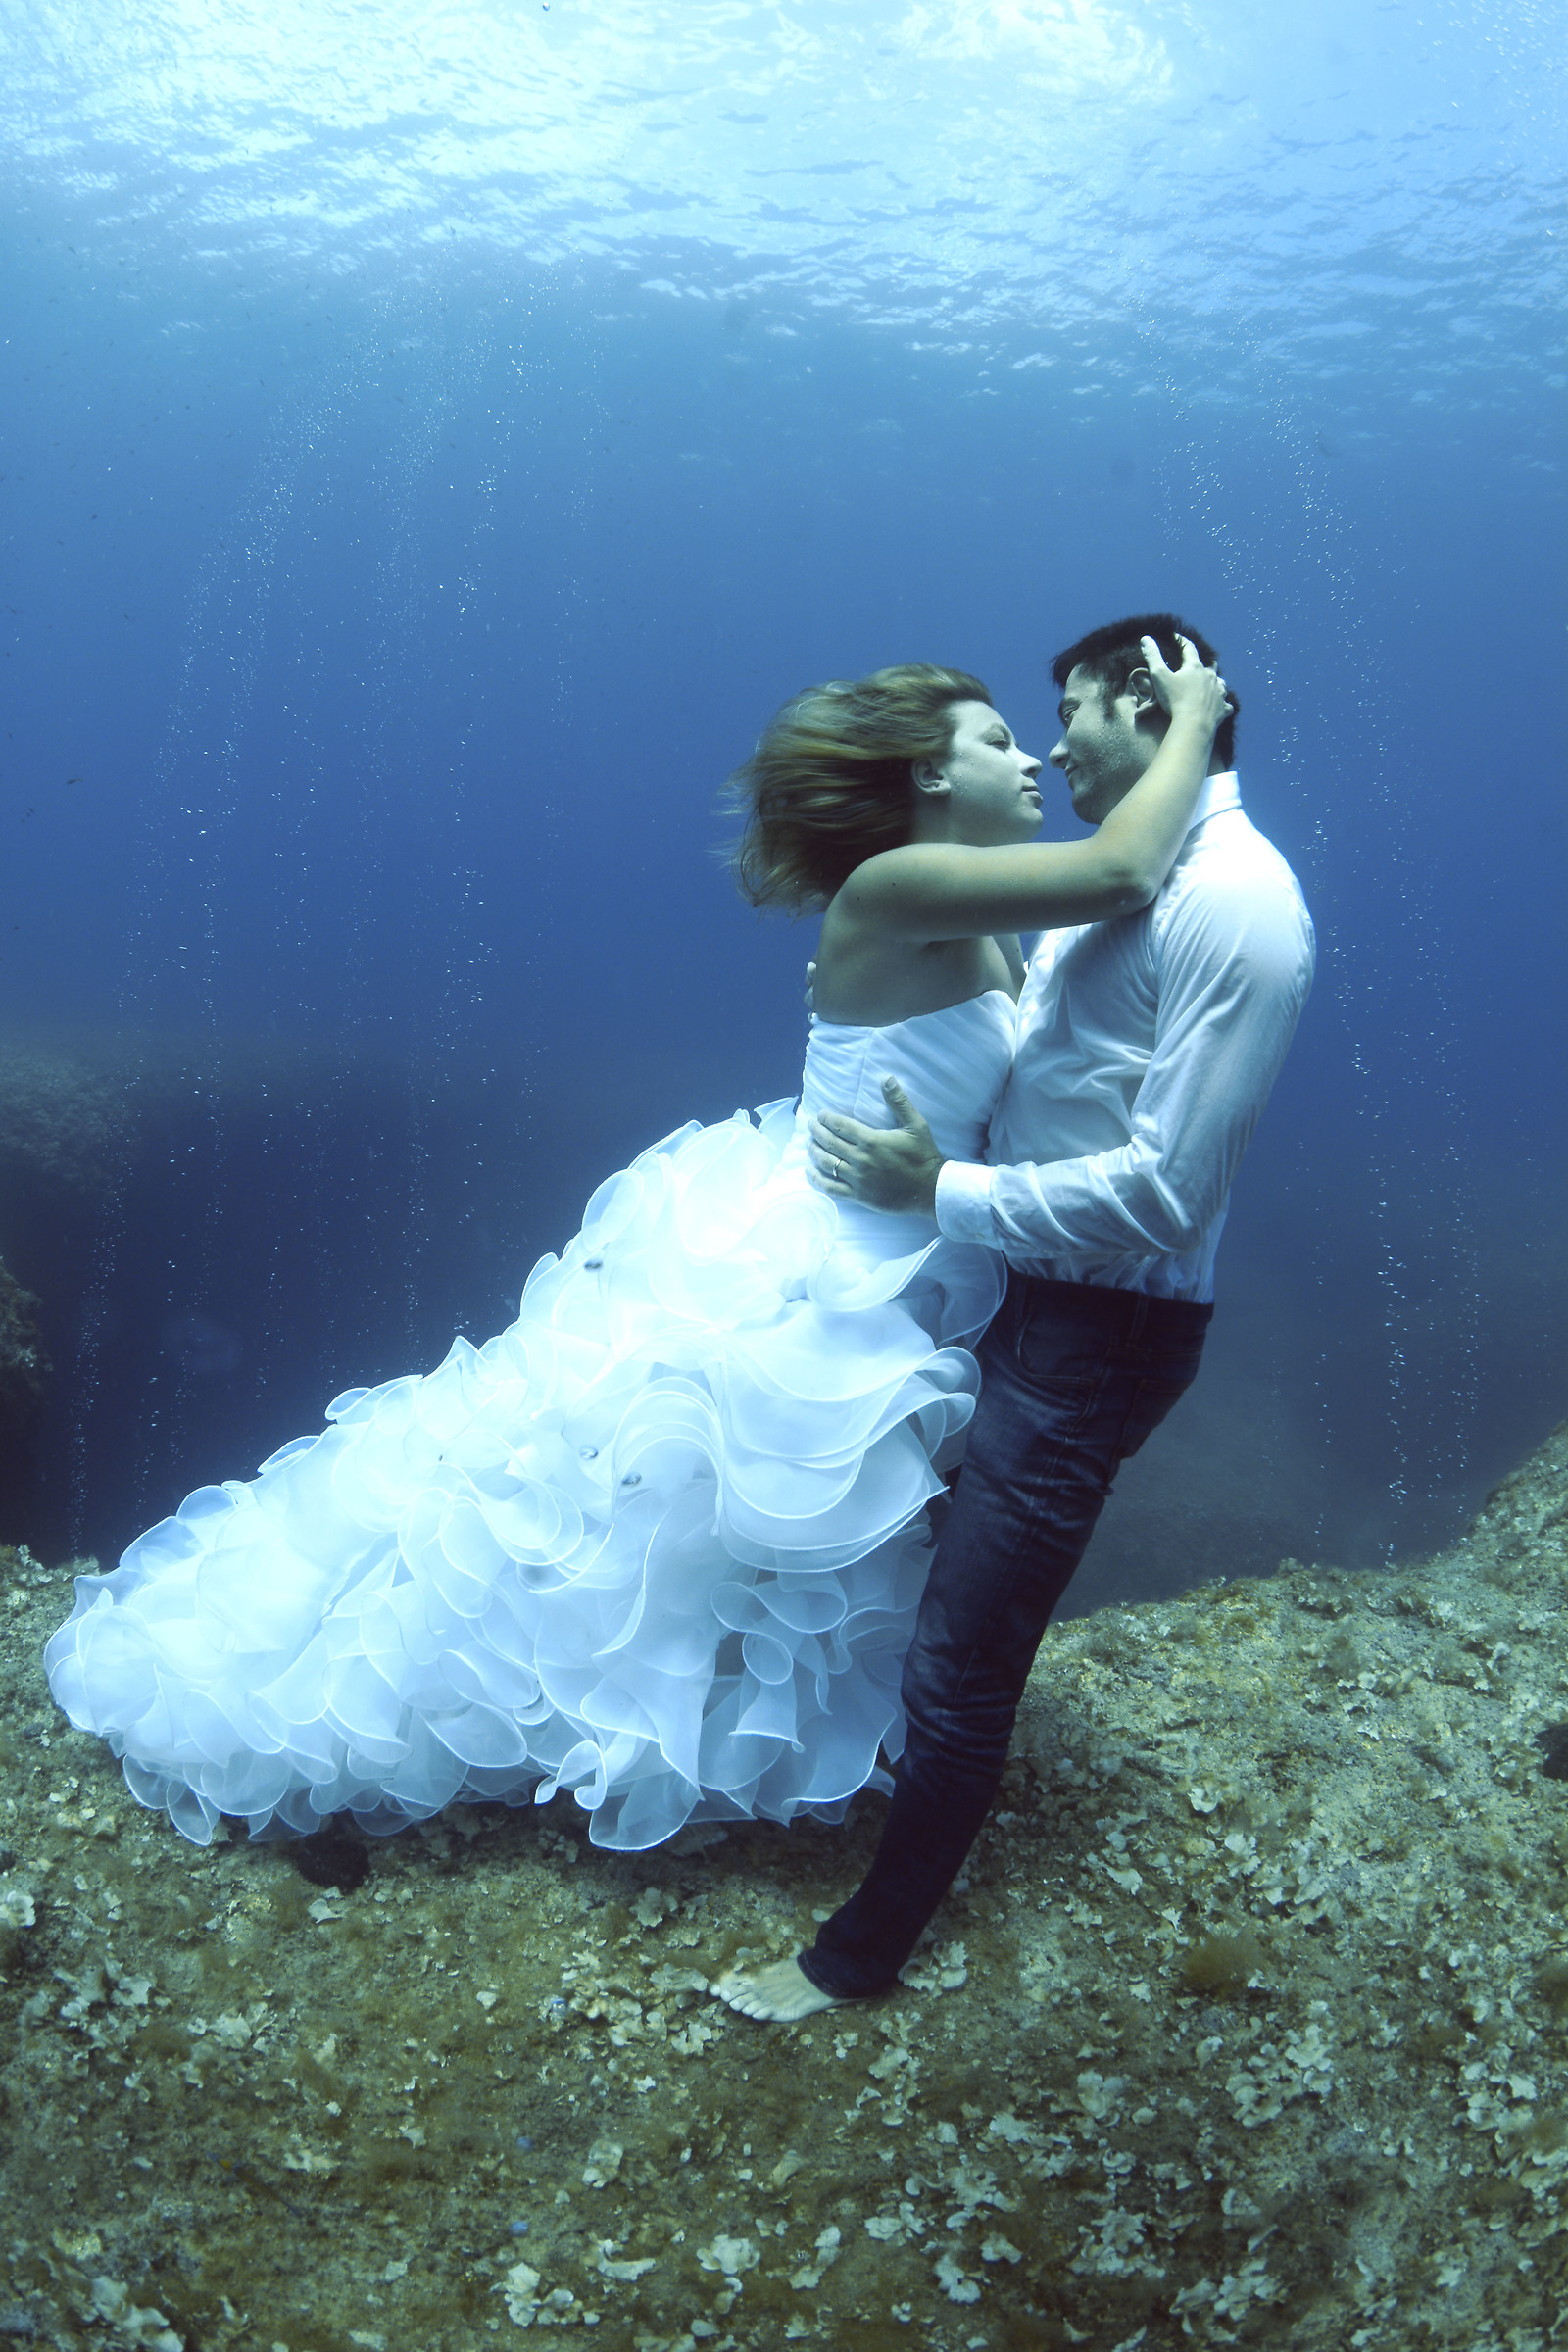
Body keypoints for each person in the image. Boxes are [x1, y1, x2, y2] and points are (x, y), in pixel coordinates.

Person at [44, 641, 1227, 1859]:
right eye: (995, 740)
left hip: (904, 1241)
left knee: (703, 1533)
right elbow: (1126, 867)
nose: (1029, 755)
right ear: (927, 771)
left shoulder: (970, 905)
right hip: (818, 1256)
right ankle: (436, 1712)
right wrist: (1192, 718)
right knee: (633, 1523)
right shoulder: (895, 884)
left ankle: (657, 1729)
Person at [716, 613, 1314, 2023]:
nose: (1049, 745)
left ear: (1156, 707)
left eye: (1071, 713)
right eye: (1018, 728)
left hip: (1090, 1331)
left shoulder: (1236, 901)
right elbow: (1032, 1018)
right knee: (898, 1580)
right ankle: (842, 1795)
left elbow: (1166, 1194)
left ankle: (855, 1961)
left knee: (966, 1652)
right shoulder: (1113, 886)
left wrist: (946, 1190)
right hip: (1004, 1297)